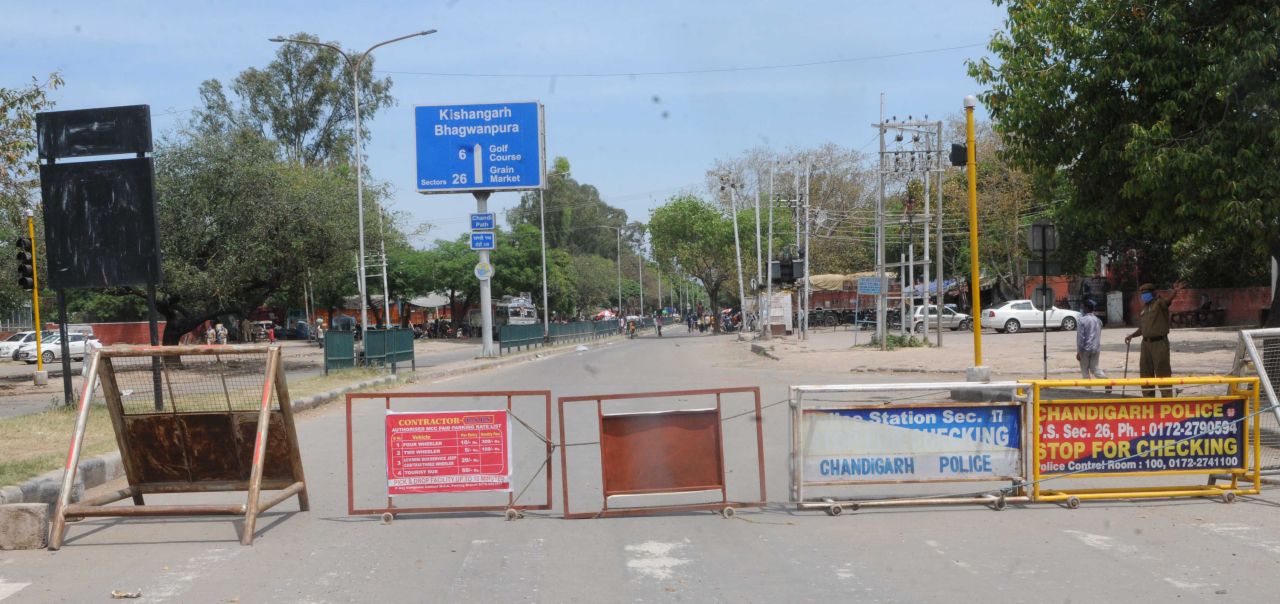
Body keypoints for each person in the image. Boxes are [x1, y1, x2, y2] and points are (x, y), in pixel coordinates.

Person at [1125, 283, 1174, 397]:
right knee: (1145, 371)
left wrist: (1174, 292)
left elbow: (1168, 302)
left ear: (1153, 293)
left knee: (1162, 371)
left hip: (1159, 343)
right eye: (1142, 294)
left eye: (1146, 293)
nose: (1143, 296)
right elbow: (1143, 328)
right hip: (1146, 344)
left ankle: (1167, 399)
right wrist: (1132, 335)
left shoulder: (1159, 303)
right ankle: (1148, 398)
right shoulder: (1144, 309)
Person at [1075, 298, 1107, 383]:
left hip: (1085, 349)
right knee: (1094, 368)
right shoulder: (1098, 320)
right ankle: (1106, 380)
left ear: (1086, 308)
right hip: (1096, 348)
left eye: (1083, 307)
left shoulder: (1082, 320)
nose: (1082, 309)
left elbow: (1080, 337)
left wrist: (1078, 351)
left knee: (1085, 370)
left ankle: (1088, 389)